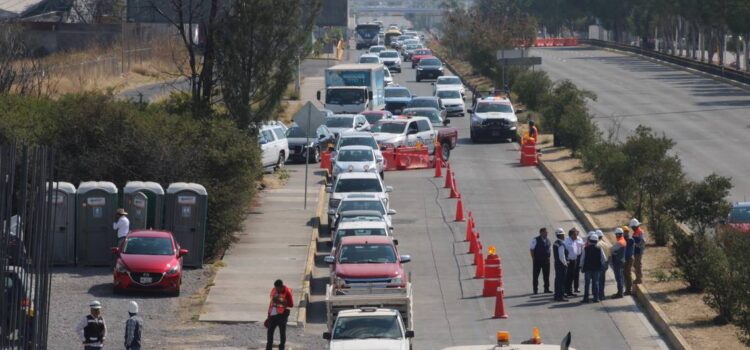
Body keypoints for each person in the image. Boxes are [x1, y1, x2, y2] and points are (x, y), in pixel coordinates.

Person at [267, 279, 294, 350]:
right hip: (272, 315)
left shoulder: (287, 292)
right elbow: (271, 304)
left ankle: (281, 347)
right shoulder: (274, 290)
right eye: (275, 288)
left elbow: (291, 304)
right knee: (270, 332)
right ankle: (268, 348)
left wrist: (280, 301)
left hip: (282, 315)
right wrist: (268, 315)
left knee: (282, 333)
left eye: (278, 288)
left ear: (281, 286)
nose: (277, 290)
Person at [580, 232, 606, 303]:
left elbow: (582, 259)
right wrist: (600, 265)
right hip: (597, 269)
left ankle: (586, 298)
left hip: (588, 268)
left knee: (587, 283)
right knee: (596, 283)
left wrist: (581, 267)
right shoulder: (599, 249)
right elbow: (604, 259)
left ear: (590, 240)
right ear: (597, 241)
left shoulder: (586, 248)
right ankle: (596, 298)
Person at [529, 228, 552, 294]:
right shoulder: (535, 240)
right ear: (541, 233)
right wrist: (533, 258)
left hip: (546, 260)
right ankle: (535, 290)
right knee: (536, 276)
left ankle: (546, 289)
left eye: (547, 232)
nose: (546, 233)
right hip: (537, 260)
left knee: (546, 275)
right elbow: (531, 249)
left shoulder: (548, 240)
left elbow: (549, 249)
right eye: (545, 232)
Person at [564, 228, 583, 297]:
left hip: (575, 260)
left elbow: (581, 246)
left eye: (576, 234)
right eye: (575, 235)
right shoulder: (566, 241)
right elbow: (564, 252)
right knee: (568, 277)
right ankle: (566, 291)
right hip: (569, 261)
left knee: (572, 276)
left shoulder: (576, 240)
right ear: (571, 235)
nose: (576, 236)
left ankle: (570, 291)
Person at [552, 228, 569, 302]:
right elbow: (562, 256)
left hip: (557, 264)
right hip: (562, 265)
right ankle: (560, 296)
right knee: (561, 280)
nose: (564, 236)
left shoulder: (556, 243)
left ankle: (557, 295)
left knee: (558, 280)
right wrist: (565, 264)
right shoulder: (561, 244)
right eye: (563, 234)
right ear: (561, 235)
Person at [610, 227, 627, 299]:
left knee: (618, 277)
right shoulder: (623, 240)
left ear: (617, 235)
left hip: (618, 262)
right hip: (622, 261)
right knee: (621, 277)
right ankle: (621, 292)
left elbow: (611, 249)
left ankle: (620, 293)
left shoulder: (619, 242)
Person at [595, 229, 611, 301]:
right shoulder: (606, 244)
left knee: (597, 280)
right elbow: (609, 256)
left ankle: (598, 295)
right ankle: (602, 294)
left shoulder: (597, 245)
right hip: (605, 264)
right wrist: (607, 264)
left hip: (598, 264)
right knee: (602, 280)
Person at [630, 218, 647, 284]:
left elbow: (643, 241)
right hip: (636, 251)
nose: (632, 228)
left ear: (635, 226)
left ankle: (639, 279)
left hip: (638, 251)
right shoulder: (636, 232)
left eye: (632, 227)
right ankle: (638, 277)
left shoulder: (639, 232)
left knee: (637, 264)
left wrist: (636, 245)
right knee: (635, 264)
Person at [623, 226, 636, 296]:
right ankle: (627, 289)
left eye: (626, 232)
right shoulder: (624, 239)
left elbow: (625, 245)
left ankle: (629, 290)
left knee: (628, 273)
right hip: (625, 258)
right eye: (624, 232)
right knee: (625, 274)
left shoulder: (630, 240)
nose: (625, 233)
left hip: (629, 258)